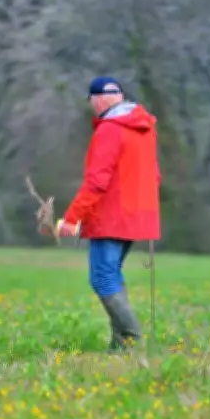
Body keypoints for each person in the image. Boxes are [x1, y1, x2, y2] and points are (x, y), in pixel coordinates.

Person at [44, 76, 162, 352]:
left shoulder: (110, 130)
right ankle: (120, 347)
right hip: (138, 215)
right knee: (112, 275)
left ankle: (132, 341)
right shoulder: (144, 128)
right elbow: (154, 176)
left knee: (103, 278)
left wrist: (73, 218)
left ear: (98, 99)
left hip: (112, 217)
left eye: (91, 101)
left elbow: (97, 182)